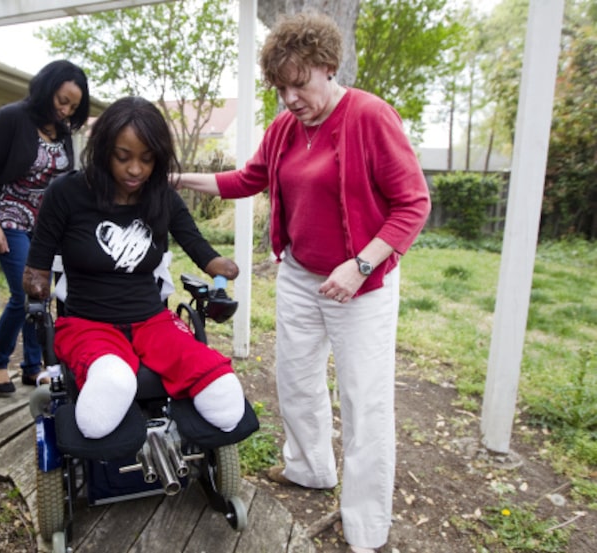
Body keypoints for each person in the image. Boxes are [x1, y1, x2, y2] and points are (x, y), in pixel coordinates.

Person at [173, 11, 431, 553]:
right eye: (281, 87)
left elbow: (413, 204)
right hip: (299, 276)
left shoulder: (370, 117)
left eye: (300, 83)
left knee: (364, 399)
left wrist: (360, 264)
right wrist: (174, 177)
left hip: (362, 285)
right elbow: (247, 179)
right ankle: (310, 468)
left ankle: (365, 525)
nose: (290, 98)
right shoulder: (285, 129)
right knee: (295, 380)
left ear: (326, 66)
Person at [22, 96, 246, 440]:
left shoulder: (162, 198)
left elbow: (197, 246)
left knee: (219, 389)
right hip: (87, 323)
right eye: (123, 157)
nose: (136, 170)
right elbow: (38, 262)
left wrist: (218, 264)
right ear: (103, 150)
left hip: (152, 320)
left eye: (147, 159)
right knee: (112, 381)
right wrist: (35, 283)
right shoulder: (66, 193)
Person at [0, 59, 90, 394]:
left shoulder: (63, 132)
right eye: (62, 100)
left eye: (73, 106)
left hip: (47, 225)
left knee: (43, 295)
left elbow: (65, 182)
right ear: (46, 89)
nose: (66, 110)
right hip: (9, 217)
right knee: (24, 295)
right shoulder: (11, 118)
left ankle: (31, 366)